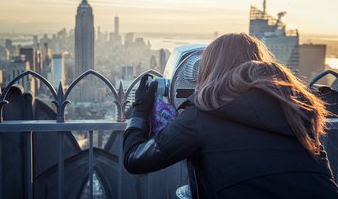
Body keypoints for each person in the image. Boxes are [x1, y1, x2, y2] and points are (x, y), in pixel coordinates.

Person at [123, 33, 338, 198]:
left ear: (210, 70)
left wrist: (140, 109)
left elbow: (136, 160)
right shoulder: (297, 110)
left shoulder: (202, 117)